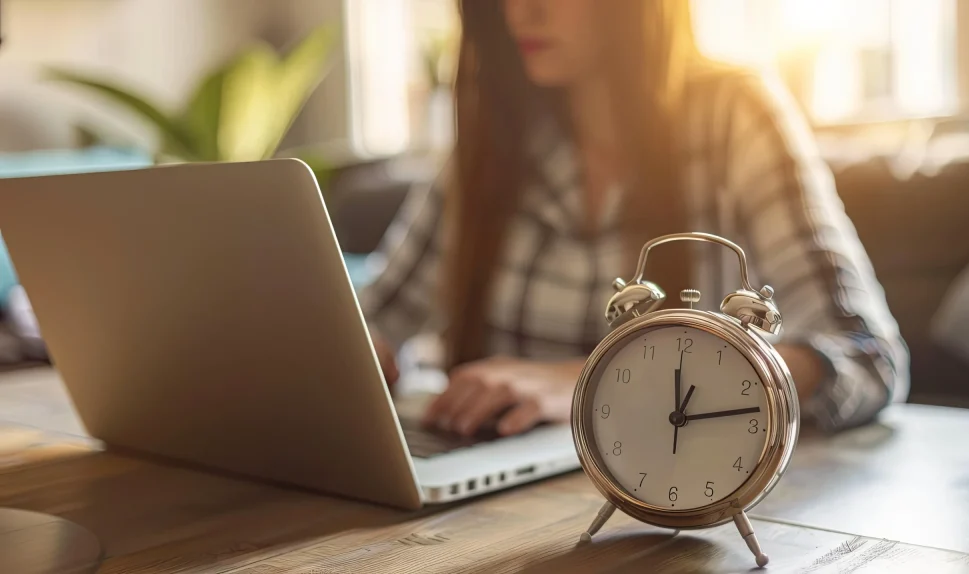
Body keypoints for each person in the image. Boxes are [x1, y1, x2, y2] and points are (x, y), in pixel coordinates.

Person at [358, 0, 909, 438]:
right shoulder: (493, 142)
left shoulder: (734, 114)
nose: (519, 10)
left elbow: (867, 358)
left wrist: (587, 382)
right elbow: (373, 323)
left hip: (669, 495)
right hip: (484, 503)